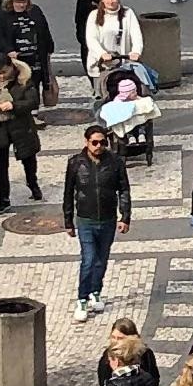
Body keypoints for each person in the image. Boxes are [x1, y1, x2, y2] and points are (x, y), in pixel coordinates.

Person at [62, 124, 130, 325]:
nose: (99, 146)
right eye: (95, 142)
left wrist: (125, 216)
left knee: (101, 259)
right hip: (86, 219)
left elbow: (124, 189)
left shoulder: (115, 162)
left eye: (102, 142)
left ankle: (95, 291)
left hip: (108, 219)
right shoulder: (76, 163)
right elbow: (68, 193)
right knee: (89, 259)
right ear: (87, 142)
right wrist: (68, 220)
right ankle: (82, 299)